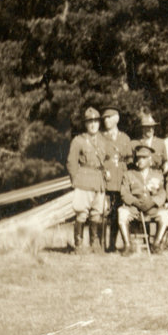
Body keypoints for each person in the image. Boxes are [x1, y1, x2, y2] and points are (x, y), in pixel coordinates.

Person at [66, 107, 108, 253]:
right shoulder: (79, 141)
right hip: (84, 180)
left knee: (97, 213)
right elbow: (71, 162)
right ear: (85, 124)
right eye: (90, 122)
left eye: (96, 121)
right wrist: (75, 181)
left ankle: (94, 244)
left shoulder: (103, 141)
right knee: (82, 213)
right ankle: (79, 245)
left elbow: (106, 160)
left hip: (99, 181)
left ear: (99, 123)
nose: (93, 125)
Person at [117, 144, 168, 255]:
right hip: (134, 208)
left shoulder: (158, 175)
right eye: (139, 157)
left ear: (150, 159)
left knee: (165, 215)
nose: (140, 160)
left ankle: (156, 244)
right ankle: (127, 245)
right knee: (122, 213)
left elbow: (162, 193)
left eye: (144, 158)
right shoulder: (129, 174)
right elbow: (124, 193)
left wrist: (153, 202)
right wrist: (135, 202)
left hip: (152, 208)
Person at [99, 106, 132, 253]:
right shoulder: (100, 138)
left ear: (116, 119)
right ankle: (103, 244)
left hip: (121, 180)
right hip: (106, 180)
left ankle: (116, 243)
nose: (106, 120)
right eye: (104, 118)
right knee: (104, 212)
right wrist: (104, 170)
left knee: (119, 212)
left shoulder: (124, 138)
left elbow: (130, 159)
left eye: (109, 117)